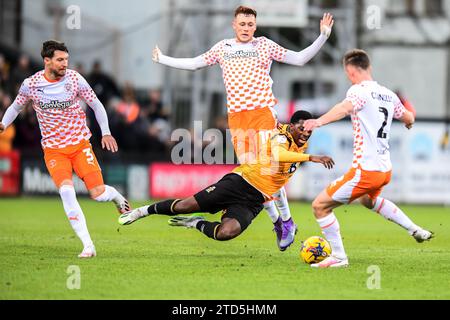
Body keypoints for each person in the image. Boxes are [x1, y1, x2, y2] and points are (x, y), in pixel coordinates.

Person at [152, 5, 334, 251]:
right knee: (252, 175)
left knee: (270, 167)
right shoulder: (222, 48)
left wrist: (322, 36)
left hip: (262, 114)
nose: (246, 28)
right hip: (237, 119)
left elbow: (300, 59)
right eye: (242, 24)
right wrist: (163, 59)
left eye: (250, 25)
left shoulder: (265, 46)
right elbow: (196, 63)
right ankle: (279, 223)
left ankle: (287, 221)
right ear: (234, 25)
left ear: (255, 27)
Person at [0, 40, 131, 258]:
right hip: (53, 150)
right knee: (67, 191)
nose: (64, 64)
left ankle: (116, 197)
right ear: (47, 61)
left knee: (97, 194)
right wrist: (4, 123)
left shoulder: (75, 79)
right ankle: (88, 245)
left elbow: (96, 104)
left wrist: (106, 132)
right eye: (60, 60)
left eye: (66, 60)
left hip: (80, 145)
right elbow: (16, 106)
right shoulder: (30, 84)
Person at [303, 49, 433, 268]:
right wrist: (409, 121)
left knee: (320, 206)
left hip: (365, 170)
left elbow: (344, 108)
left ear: (349, 71)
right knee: (367, 200)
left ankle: (339, 257)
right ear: (369, 67)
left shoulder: (358, 91)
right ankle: (416, 230)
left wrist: (318, 121)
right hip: (384, 170)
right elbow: (409, 116)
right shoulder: (388, 94)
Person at [118, 111, 334, 243]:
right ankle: (142, 211)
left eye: (310, 129)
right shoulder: (281, 136)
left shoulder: (301, 142)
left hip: (255, 200)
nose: (306, 132)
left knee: (226, 233)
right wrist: (311, 157)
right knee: (185, 205)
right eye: (302, 127)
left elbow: (279, 181)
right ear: (292, 125)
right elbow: (278, 155)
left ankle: (197, 224)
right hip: (240, 183)